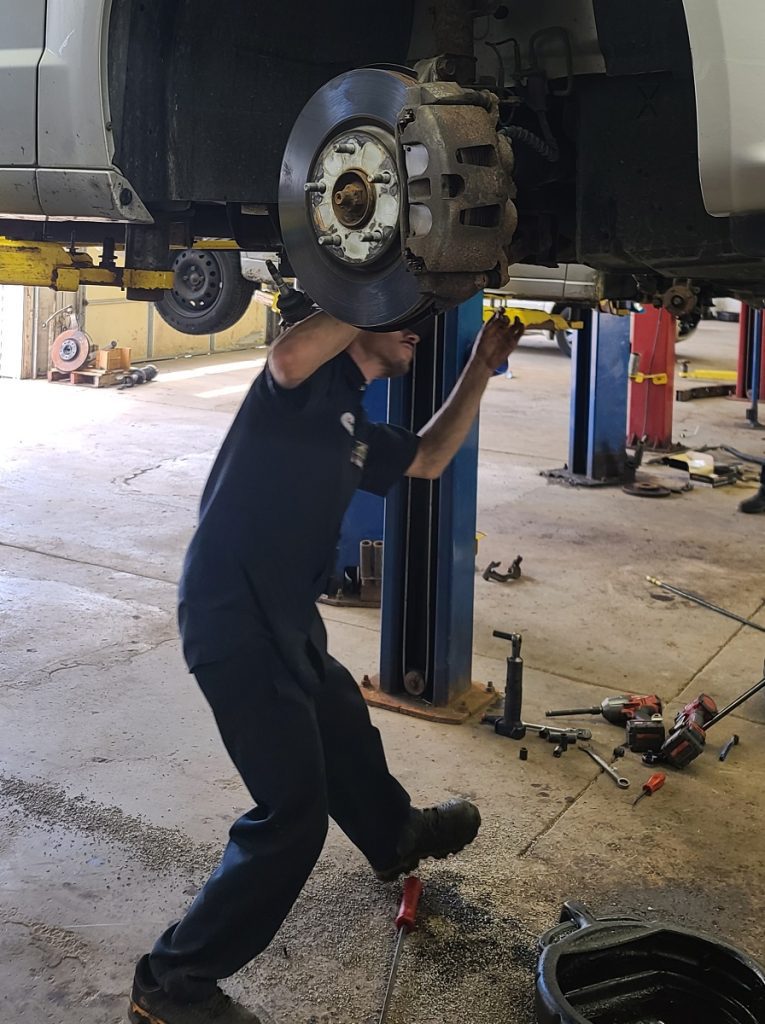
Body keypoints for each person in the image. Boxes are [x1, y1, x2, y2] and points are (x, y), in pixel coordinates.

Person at [128, 305, 524, 1024]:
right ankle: (171, 983)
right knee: (293, 815)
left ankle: (393, 836)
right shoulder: (302, 382)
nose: (415, 329)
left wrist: (481, 366)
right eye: (400, 316)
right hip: (231, 618)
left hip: (285, 614)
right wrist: (381, 278)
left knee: (341, 720)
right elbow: (285, 356)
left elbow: (430, 457)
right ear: (359, 317)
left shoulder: (353, 425)